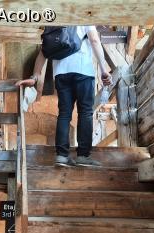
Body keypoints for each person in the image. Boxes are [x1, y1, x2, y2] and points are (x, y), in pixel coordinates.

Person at [16, 26, 112, 167]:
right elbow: (94, 40)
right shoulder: (84, 18)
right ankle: (83, 156)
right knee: (85, 112)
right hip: (83, 70)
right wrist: (104, 70)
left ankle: (61, 156)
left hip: (61, 74)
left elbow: (43, 52)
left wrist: (35, 76)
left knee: (64, 114)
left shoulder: (55, 24)